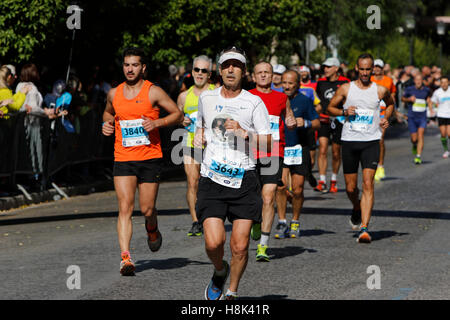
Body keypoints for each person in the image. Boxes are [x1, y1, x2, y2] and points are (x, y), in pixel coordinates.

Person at [194, 46, 271, 300]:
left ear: (244, 71)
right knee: (214, 243)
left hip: (244, 179)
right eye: (226, 64)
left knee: (239, 246)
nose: (230, 69)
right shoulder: (206, 98)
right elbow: (200, 127)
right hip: (212, 178)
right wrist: (199, 138)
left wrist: (244, 133)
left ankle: (232, 291)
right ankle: (219, 270)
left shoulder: (253, 102)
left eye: (236, 65)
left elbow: (268, 143)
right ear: (219, 69)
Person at [102, 47, 183, 276]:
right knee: (124, 207)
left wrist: (157, 124)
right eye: (127, 65)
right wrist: (106, 124)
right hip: (124, 157)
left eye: (134, 65)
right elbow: (107, 114)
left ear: (143, 68)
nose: (130, 69)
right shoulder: (113, 93)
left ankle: (152, 227)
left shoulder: (153, 92)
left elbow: (177, 114)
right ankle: (125, 257)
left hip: (149, 158)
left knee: (147, 208)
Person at [327, 53, 394, 243]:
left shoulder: (380, 90)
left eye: (368, 69)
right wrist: (343, 111)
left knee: (367, 184)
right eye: (362, 69)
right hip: (349, 141)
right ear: (357, 69)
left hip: (371, 141)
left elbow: (391, 104)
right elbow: (329, 108)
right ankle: (356, 206)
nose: (365, 72)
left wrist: (385, 118)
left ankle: (364, 227)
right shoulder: (346, 88)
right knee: (350, 188)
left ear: (373, 70)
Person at [248, 61, 296, 262]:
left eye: (267, 72)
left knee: (268, 196)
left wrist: (293, 122)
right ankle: (255, 221)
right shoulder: (247, 96)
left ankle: (263, 245)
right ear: (253, 76)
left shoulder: (281, 97)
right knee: (253, 198)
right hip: (249, 151)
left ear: (272, 75)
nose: (263, 75)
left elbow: (290, 118)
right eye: (259, 73)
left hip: (274, 152)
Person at [274, 70, 320, 240]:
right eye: (284, 82)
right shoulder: (277, 99)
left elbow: (317, 122)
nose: (287, 86)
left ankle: (295, 221)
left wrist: (306, 122)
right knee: (281, 187)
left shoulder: (304, 101)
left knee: (298, 189)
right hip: (281, 148)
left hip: (300, 149)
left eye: (290, 83)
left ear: (297, 84)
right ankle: (281, 221)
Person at [176, 55, 216, 237]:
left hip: (213, 145)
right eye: (197, 70)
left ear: (210, 73)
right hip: (190, 142)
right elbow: (178, 118)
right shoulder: (183, 97)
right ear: (192, 72)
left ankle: (213, 215)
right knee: (193, 182)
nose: (200, 74)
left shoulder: (218, 93)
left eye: (204, 71)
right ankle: (195, 221)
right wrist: (181, 121)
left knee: (211, 183)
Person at [314, 57, 350, 193]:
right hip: (324, 119)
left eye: (328, 67)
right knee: (322, 149)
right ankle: (322, 181)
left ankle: (333, 180)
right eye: (324, 67)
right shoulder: (321, 82)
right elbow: (317, 100)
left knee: (336, 152)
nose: (325, 69)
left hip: (339, 119)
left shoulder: (345, 82)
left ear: (336, 68)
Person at [16, 63, 46, 189]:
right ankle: (34, 178)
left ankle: (26, 176)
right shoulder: (32, 89)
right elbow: (32, 108)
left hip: (22, 124)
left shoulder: (19, 86)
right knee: (34, 150)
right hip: (33, 124)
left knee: (25, 150)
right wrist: (45, 112)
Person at [370, 59, 397, 181]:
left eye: (378, 67)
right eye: (374, 67)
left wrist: (392, 112)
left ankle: (380, 166)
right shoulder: (369, 80)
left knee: (380, 139)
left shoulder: (388, 81)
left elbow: (393, 97)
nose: (376, 69)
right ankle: (371, 165)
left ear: (382, 68)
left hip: (383, 113)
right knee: (371, 140)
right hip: (371, 113)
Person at [401, 74, 433, 164]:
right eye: (417, 80)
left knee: (420, 135)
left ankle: (418, 156)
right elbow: (402, 98)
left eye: (420, 80)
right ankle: (414, 145)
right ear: (414, 81)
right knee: (414, 139)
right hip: (412, 117)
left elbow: (428, 99)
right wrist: (409, 99)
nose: (418, 82)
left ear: (422, 80)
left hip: (422, 117)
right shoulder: (409, 89)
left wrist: (430, 107)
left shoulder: (426, 90)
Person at [431, 75, 450, 158]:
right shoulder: (437, 92)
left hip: (449, 115)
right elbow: (432, 102)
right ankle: (446, 150)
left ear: (448, 82)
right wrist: (432, 109)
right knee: (443, 134)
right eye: (442, 82)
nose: (444, 84)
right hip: (441, 115)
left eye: (446, 82)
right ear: (440, 83)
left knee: (449, 134)